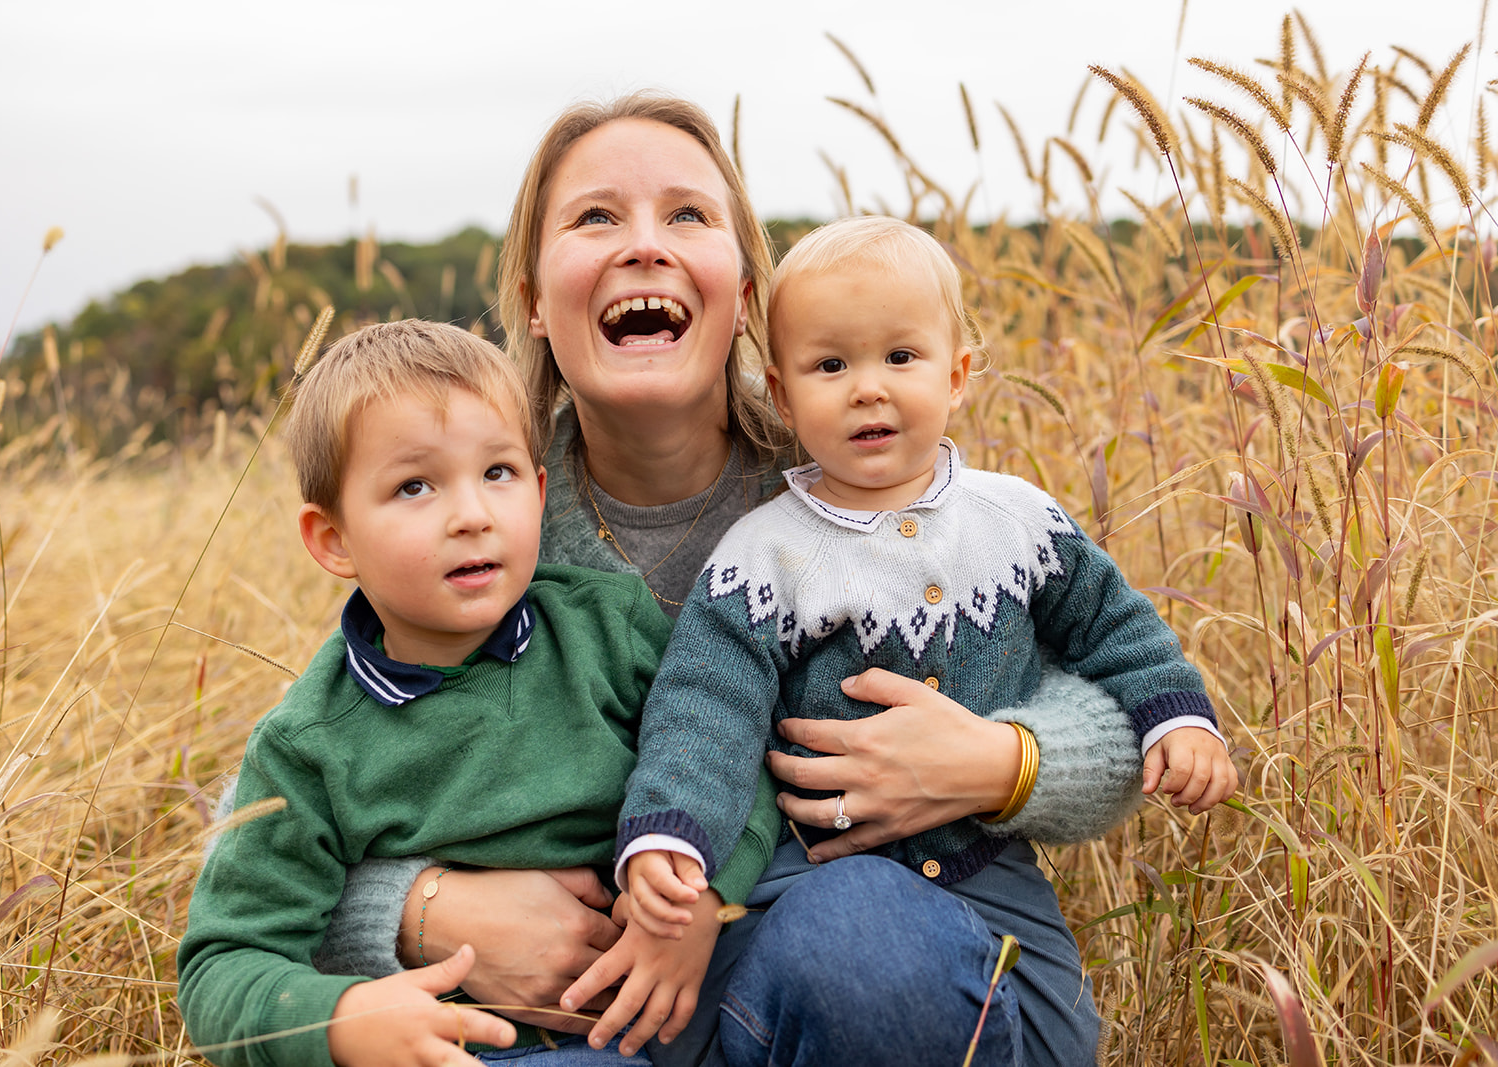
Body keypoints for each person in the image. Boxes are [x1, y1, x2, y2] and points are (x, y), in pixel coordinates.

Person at [310, 94, 1199, 1067]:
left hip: (896, 981)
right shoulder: (476, 523)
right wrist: (423, 908)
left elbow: (1117, 683)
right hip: (601, 1017)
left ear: (743, 295)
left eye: (687, 214)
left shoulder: (866, 480)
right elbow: (276, 826)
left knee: (859, 940)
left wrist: (1002, 760)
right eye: (596, 216)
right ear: (531, 296)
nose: (644, 245)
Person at [599, 217, 1240, 1063]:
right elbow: (704, 708)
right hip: (813, 871)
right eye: (831, 365)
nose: (869, 389)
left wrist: (1178, 717)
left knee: (1060, 1035)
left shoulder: (1019, 521)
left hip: (986, 859)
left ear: (959, 372)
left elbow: (1113, 624)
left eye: (900, 358)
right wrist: (671, 836)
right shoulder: (765, 555)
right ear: (783, 395)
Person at [175, 320, 781, 1067]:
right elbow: (222, 963)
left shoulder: (608, 626)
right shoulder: (310, 746)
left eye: (497, 472)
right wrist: (344, 1016)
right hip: (497, 1048)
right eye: (414, 486)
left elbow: (730, 755)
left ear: (538, 490)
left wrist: (708, 896)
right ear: (332, 539)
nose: (471, 514)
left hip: (678, 989)